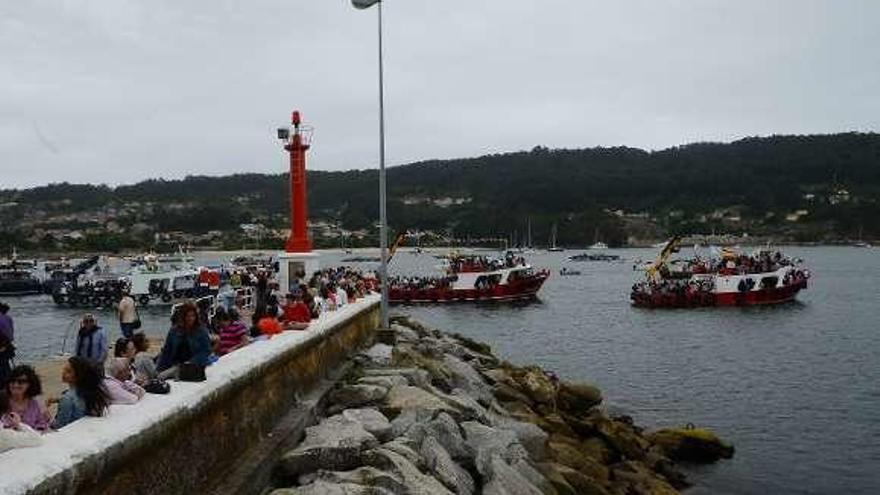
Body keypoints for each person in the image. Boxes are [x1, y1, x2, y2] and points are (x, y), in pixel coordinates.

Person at [156, 301, 213, 380]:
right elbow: (167, 351)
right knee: (159, 375)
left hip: (194, 365)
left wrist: (192, 361)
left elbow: (207, 350)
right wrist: (160, 368)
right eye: (187, 316)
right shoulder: (174, 331)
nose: (190, 318)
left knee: (162, 376)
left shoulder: (201, 331)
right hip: (176, 363)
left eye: (193, 316)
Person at [49, 356, 108, 429]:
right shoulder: (87, 392)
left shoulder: (67, 398)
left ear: (78, 376)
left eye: (68, 371)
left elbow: (59, 426)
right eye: (64, 369)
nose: (63, 372)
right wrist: (58, 400)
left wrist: (47, 417)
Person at [3, 365, 50, 432]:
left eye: (21, 382)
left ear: (30, 384)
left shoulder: (36, 403)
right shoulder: (3, 401)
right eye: (12, 381)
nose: (15, 385)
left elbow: (42, 424)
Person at [0, 302, 14, 386]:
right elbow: (11, 335)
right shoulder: (8, 318)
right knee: (5, 364)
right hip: (8, 346)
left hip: (3, 346)